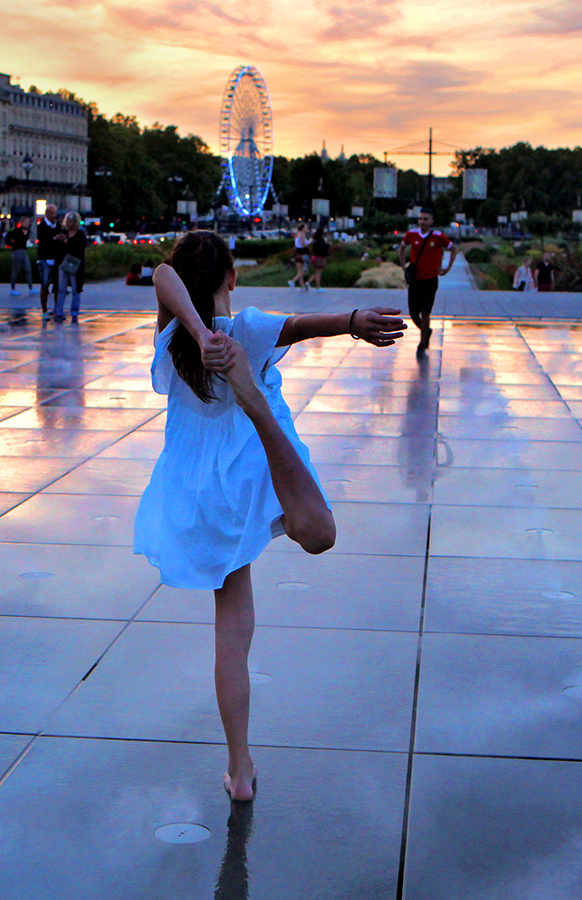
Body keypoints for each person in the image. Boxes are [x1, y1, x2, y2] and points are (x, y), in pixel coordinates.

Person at [134, 230, 405, 802]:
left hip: (201, 484)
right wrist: (354, 319)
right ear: (232, 278)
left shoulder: (171, 337)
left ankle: (239, 769)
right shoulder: (244, 329)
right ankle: (255, 401)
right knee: (318, 533)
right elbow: (304, 327)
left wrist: (197, 332)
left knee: (230, 629)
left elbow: (160, 274)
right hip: (253, 461)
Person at [398, 210, 457, 353]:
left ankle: (423, 342)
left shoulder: (438, 237)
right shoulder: (411, 234)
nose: (422, 222)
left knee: (425, 312)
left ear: (431, 221)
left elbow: (453, 249)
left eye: (425, 219)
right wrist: (403, 266)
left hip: (430, 280)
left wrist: (447, 268)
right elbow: (402, 247)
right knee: (413, 313)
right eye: (420, 219)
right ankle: (426, 330)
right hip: (415, 280)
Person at [53, 212, 88, 323]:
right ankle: (59, 312)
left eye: (71, 221)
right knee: (61, 289)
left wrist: (66, 241)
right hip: (62, 264)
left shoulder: (80, 234)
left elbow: (79, 249)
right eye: (67, 221)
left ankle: (74, 313)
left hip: (75, 264)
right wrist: (57, 239)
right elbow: (57, 248)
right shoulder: (63, 232)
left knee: (75, 290)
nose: (69, 223)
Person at [35, 203, 62, 317]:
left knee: (57, 285)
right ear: (47, 213)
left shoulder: (57, 225)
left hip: (56, 258)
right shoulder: (42, 226)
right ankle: (44, 310)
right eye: (52, 213)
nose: (54, 215)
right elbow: (43, 240)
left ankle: (57, 309)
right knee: (45, 284)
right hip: (45, 258)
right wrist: (55, 238)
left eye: (55, 213)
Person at [5, 218, 31, 296]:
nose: (27, 224)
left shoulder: (28, 231)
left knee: (28, 269)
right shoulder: (16, 231)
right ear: (21, 222)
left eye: (28, 222)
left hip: (24, 251)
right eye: (26, 222)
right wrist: (10, 245)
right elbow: (8, 236)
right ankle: (13, 288)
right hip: (17, 251)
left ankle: (31, 287)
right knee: (16, 270)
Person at [308, 222, 330, 291]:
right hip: (319, 258)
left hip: (315, 257)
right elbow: (323, 247)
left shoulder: (315, 240)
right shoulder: (320, 241)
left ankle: (309, 282)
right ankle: (318, 286)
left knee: (317, 272)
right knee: (318, 272)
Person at [289, 223, 310, 290]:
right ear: (303, 228)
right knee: (305, 270)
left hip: (297, 253)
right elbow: (303, 245)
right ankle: (293, 280)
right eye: (306, 227)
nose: (307, 229)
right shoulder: (302, 235)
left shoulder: (297, 234)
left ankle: (302, 286)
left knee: (300, 270)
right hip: (302, 253)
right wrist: (310, 242)